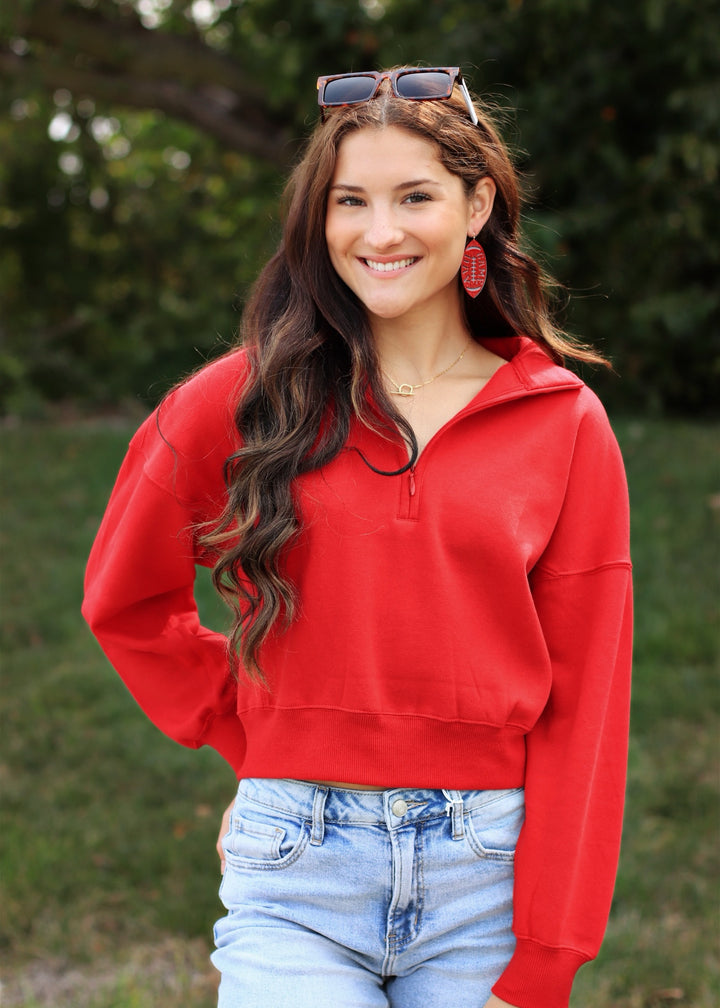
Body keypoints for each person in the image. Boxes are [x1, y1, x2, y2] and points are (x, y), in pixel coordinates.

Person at [82, 66, 632, 1008]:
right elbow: (124, 600)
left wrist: (546, 959)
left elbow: (589, 708)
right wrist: (253, 741)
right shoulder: (244, 397)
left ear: (477, 205)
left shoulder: (563, 422)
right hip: (293, 868)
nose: (379, 233)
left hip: (485, 884)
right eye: (350, 202)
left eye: (414, 196)